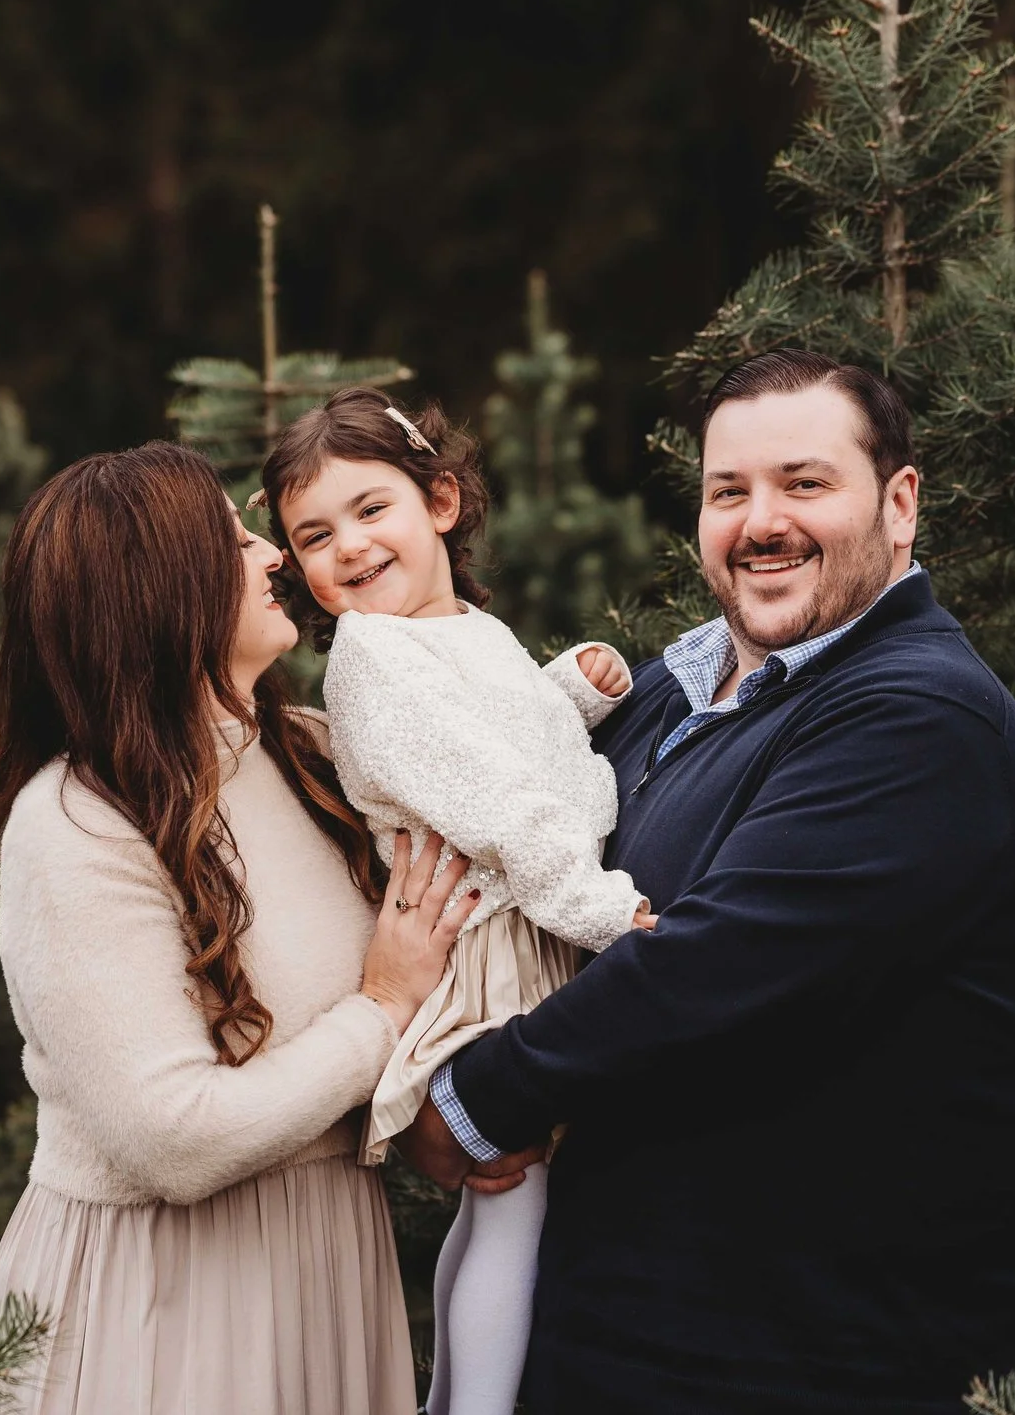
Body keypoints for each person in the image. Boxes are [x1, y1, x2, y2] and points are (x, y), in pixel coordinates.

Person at [403, 349, 1015, 1413]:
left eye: (804, 483)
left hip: (809, 1358)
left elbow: (714, 963)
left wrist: (471, 1099)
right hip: (623, 1336)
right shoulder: (672, 691)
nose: (761, 521)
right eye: (729, 491)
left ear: (899, 504)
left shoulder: (919, 716)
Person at [0, 441, 481, 1415]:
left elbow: (494, 772)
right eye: (235, 537)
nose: (273, 556)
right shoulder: (78, 819)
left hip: (327, 1270)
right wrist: (381, 1008)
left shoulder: (305, 754)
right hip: (167, 1305)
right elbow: (171, 1137)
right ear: (159, 588)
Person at [257, 389, 650, 1415]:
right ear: (295, 566)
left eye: (369, 509)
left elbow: (492, 735)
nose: (347, 545)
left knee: (503, 1198)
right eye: (314, 534)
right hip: (502, 937)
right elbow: (493, 806)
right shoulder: (375, 656)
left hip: (524, 913)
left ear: (439, 502)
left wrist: (572, 689)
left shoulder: (454, 632)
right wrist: (602, 910)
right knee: (511, 1194)